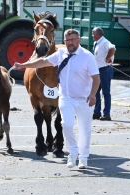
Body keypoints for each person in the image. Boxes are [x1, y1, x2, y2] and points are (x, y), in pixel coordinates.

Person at [12, 29, 100, 169]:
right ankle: (72, 154)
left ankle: (83, 158)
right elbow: (42, 62)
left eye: (72, 40)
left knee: (84, 130)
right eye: (67, 40)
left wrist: (93, 94)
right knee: (66, 125)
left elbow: (96, 78)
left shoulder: (87, 56)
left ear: (78, 40)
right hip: (66, 98)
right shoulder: (60, 53)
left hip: (84, 99)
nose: (69, 43)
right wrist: (23, 65)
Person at [92, 27, 116, 121]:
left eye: (93, 33)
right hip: (98, 71)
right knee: (96, 92)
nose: (92, 35)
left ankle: (107, 114)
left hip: (105, 70)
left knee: (106, 93)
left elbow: (112, 48)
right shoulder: (97, 43)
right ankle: (97, 112)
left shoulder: (104, 42)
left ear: (97, 34)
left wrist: (108, 57)